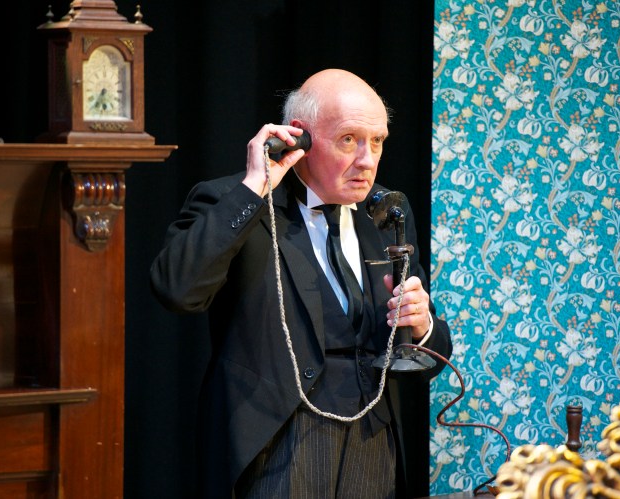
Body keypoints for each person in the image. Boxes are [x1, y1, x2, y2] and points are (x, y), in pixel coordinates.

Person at [150, 68, 452, 498]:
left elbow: (431, 354)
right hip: (276, 446)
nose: (367, 160)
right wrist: (253, 188)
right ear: (299, 137)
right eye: (348, 140)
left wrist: (422, 328)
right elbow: (176, 289)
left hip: (372, 442)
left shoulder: (386, 213)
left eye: (377, 141)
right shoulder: (236, 202)